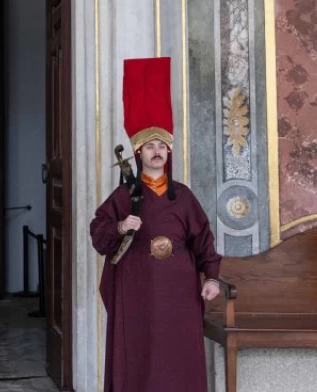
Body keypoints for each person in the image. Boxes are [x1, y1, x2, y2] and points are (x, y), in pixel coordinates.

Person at [89, 57, 221, 392]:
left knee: (177, 356)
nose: (157, 151)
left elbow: (203, 241)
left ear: (169, 152)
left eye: (162, 146)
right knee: (140, 354)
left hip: (178, 291)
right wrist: (120, 227)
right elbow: (99, 234)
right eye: (150, 146)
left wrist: (213, 278)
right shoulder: (122, 195)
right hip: (136, 289)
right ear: (139, 153)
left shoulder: (184, 197)